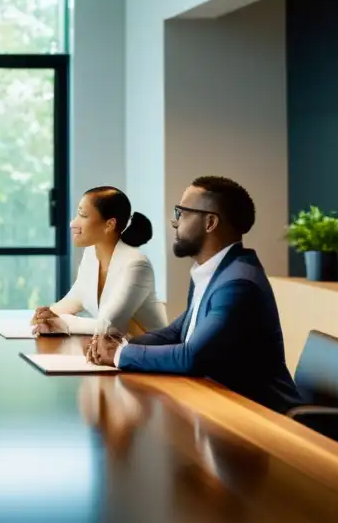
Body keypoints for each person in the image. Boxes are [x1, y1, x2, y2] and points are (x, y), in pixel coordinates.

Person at [85, 176, 302, 414]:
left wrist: (119, 353)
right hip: (221, 406)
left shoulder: (238, 284)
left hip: (263, 419)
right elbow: (177, 333)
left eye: (181, 213)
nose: (174, 222)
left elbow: (192, 356)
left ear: (210, 222)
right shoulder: (213, 272)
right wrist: (117, 343)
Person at [32, 186, 167, 337]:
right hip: (116, 352)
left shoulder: (136, 265)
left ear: (109, 225)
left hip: (152, 355)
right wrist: (48, 314)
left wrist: (63, 323)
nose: (72, 223)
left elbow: (110, 326)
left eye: (83, 215)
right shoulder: (91, 253)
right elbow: (77, 297)